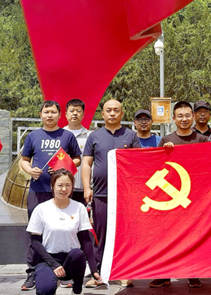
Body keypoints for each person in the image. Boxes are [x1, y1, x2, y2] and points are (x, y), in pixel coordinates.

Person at [20, 100, 82, 291]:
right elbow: (24, 160)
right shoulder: (33, 136)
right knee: (35, 232)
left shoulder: (67, 136)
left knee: (63, 229)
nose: (49, 115)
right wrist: (30, 170)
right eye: (46, 112)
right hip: (38, 190)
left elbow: (78, 159)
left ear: (59, 115)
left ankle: (64, 271)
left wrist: (66, 165)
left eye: (53, 112)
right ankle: (32, 272)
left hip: (62, 193)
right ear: (41, 115)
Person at [82, 99, 141, 287]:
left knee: (124, 234)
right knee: (100, 235)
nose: (112, 113)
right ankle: (98, 275)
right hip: (101, 194)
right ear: (103, 114)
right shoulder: (94, 136)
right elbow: (86, 164)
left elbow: (138, 163)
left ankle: (124, 272)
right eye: (109, 110)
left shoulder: (131, 136)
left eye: (116, 110)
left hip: (125, 196)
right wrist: (87, 188)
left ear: (122, 114)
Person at [149, 101, 208, 289]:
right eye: (180, 116)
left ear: (193, 117)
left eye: (187, 115)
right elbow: (155, 166)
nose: (184, 119)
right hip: (171, 200)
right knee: (168, 237)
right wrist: (164, 153)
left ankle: (193, 273)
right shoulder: (166, 140)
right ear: (174, 119)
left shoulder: (203, 140)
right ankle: (164, 274)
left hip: (196, 198)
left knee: (193, 236)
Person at [27, 169, 102, 295]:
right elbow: (34, 242)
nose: (64, 189)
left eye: (68, 185)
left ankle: (77, 287)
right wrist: (53, 264)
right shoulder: (41, 209)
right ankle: (50, 280)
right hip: (48, 259)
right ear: (52, 186)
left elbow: (86, 240)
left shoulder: (79, 208)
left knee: (77, 254)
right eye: (60, 185)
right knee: (45, 290)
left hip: (71, 259)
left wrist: (94, 269)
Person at [63, 98, 93, 205]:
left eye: (78, 111)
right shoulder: (59, 135)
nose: (75, 113)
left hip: (83, 188)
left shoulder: (90, 136)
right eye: (71, 111)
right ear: (66, 114)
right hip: (62, 186)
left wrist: (89, 186)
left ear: (83, 114)